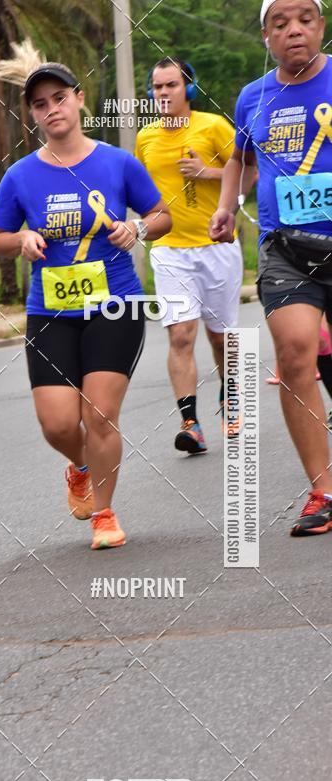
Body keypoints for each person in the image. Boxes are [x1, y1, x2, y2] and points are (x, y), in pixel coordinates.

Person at [0, 44, 171, 549]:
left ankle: (106, 514)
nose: (52, 108)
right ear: (33, 114)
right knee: (57, 423)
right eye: (41, 103)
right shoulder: (20, 176)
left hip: (115, 304)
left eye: (59, 97)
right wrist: (21, 240)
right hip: (51, 310)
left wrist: (138, 228)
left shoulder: (118, 163)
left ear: (79, 100)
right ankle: (80, 466)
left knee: (99, 414)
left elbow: (162, 216)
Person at [210, 0, 332, 536]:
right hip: (286, 248)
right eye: (279, 23)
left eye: (304, 18)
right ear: (265, 35)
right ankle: (323, 489)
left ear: (321, 25)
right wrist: (224, 204)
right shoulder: (253, 97)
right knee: (294, 352)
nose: (294, 30)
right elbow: (241, 156)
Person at [136, 57, 245, 455]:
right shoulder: (145, 138)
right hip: (170, 251)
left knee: (222, 338)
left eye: (171, 86)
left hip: (217, 246)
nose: (163, 93)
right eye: (157, 86)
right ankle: (190, 423)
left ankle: (230, 400)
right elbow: (143, 193)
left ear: (189, 89)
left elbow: (250, 171)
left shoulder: (214, 126)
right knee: (180, 335)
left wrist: (209, 174)